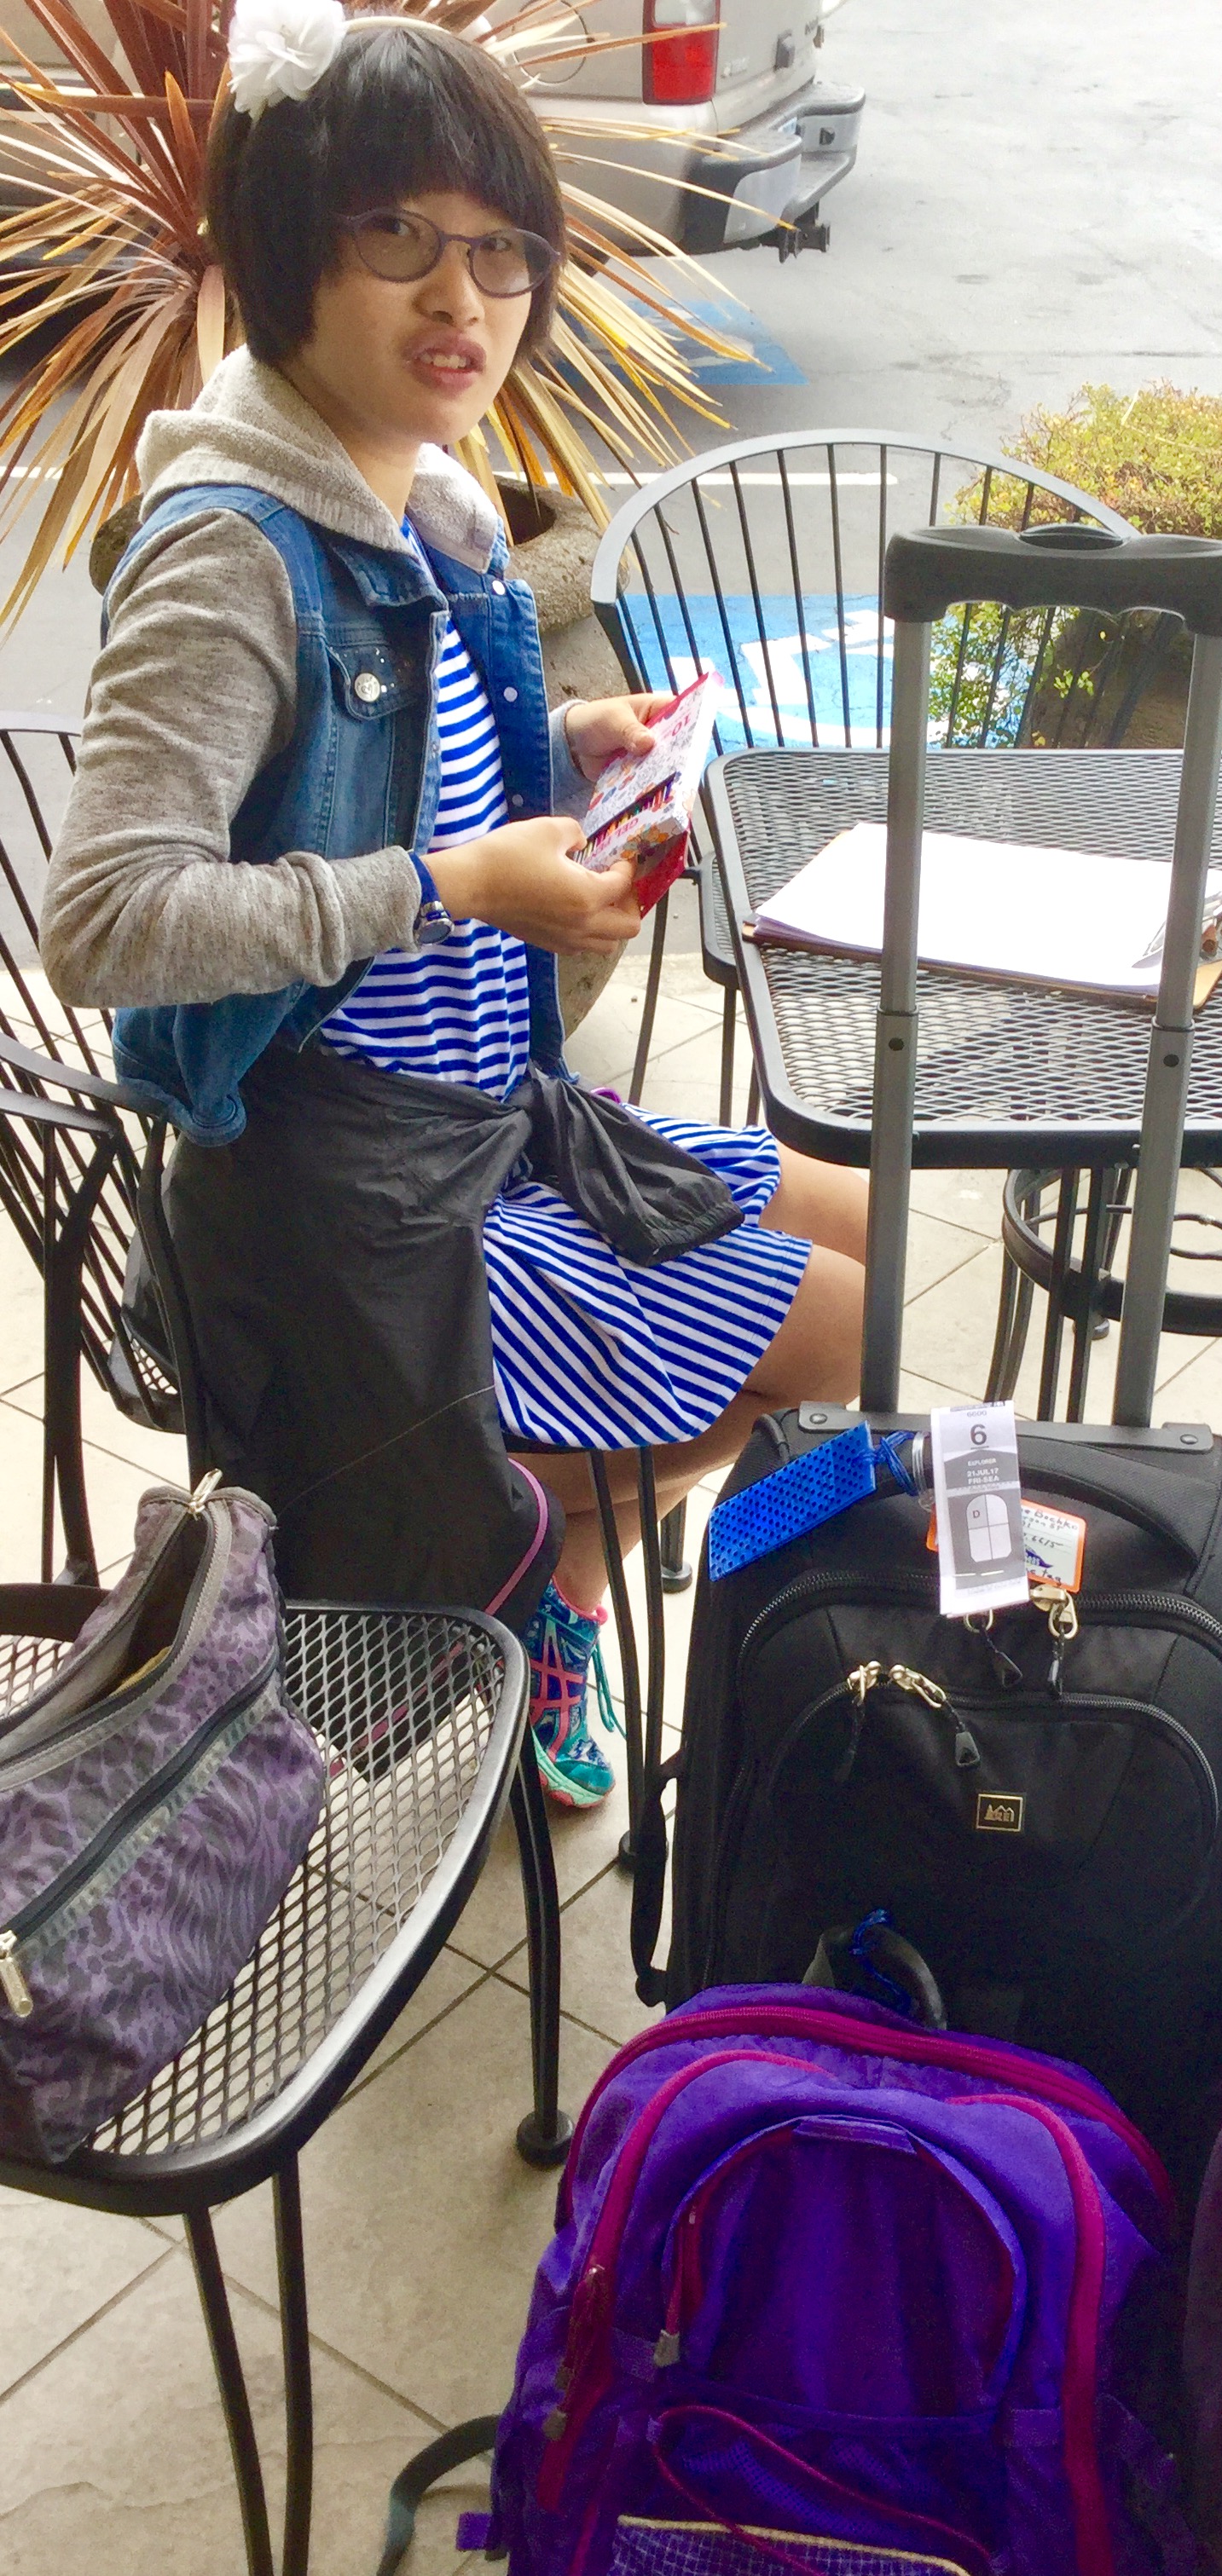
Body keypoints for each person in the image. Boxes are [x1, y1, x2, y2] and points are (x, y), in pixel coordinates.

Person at [40, 3, 866, 1808]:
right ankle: (594, 1578)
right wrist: (449, 886)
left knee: (868, 1229)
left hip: (483, 1122)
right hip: (342, 1205)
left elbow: (391, 762)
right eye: (397, 235)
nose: (461, 299)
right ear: (290, 253)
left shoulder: (428, 502)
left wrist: (571, 745)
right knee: (842, 1331)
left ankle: (567, 1575)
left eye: (501, 252)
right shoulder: (234, 548)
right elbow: (101, 917)